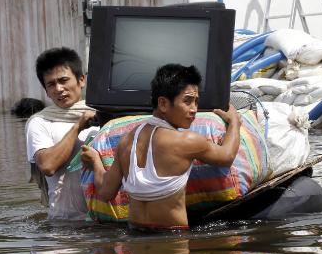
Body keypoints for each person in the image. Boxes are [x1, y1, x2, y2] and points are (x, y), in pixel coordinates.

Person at [81, 64, 241, 230]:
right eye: (187, 101)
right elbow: (227, 156)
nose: (194, 109)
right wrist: (234, 121)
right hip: (172, 243)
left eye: (196, 101)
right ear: (163, 103)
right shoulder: (187, 141)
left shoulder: (126, 141)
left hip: (136, 242)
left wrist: (95, 161)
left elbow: (106, 192)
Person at [26, 47, 98, 220]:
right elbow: (48, 166)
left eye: (64, 80)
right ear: (46, 90)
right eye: (51, 84)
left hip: (105, 223)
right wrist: (77, 126)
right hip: (64, 224)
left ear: (81, 80)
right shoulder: (40, 122)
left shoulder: (103, 115)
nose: (59, 88)